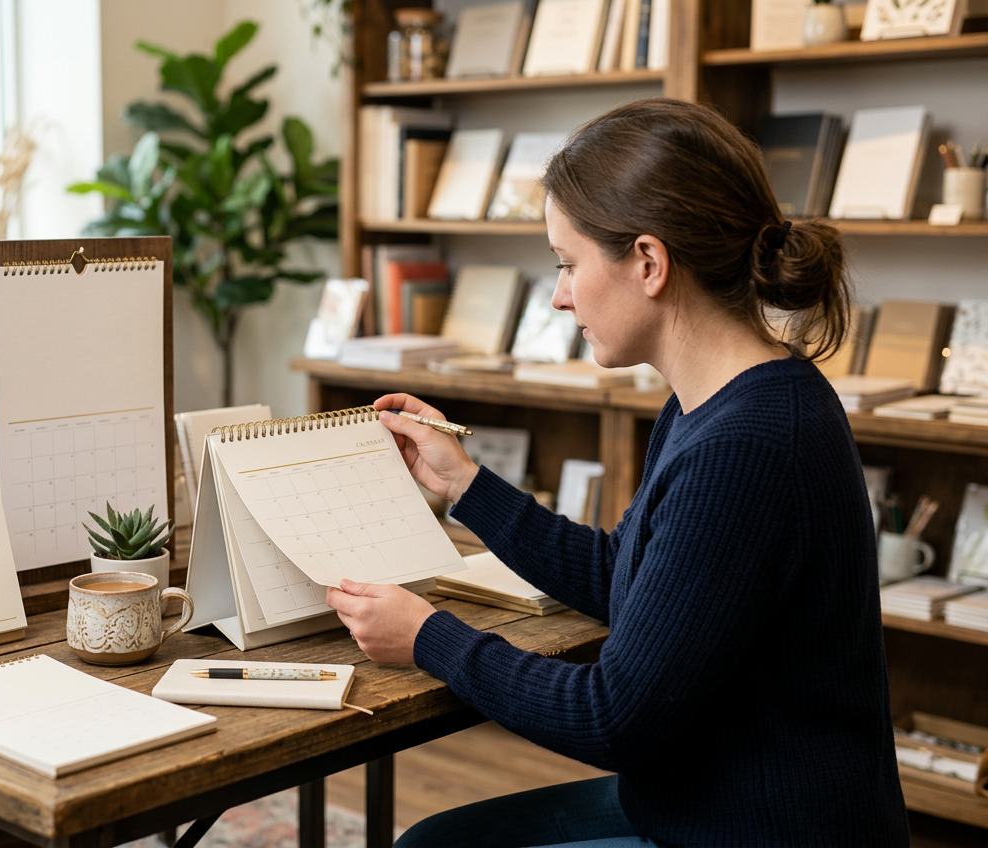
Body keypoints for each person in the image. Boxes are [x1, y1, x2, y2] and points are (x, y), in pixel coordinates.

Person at [326, 98, 908, 847]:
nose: (560, 293)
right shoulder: (727, 399)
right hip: (698, 803)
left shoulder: (749, 447)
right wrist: (465, 484)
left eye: (568, 264)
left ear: (648, 262)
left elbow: (612, 718)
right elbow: (629, 578)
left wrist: (430, 636)